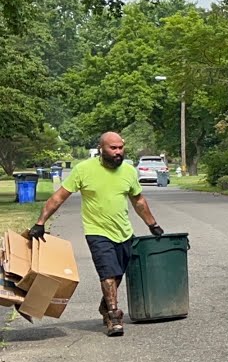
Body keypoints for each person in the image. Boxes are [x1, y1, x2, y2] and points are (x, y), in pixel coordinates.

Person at [26, 132, 164, 337]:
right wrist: (40, 222)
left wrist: (152, 225)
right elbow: (58, 198)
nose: (118, 152)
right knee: (107, 272)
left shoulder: (128, 171)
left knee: (117, 274)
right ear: (101, 149)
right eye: (113, 148)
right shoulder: (84, 170)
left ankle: (105, 306)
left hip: (124, 232)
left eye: (120, 148)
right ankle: (114, 317)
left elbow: (139, 201)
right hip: (97, 232)